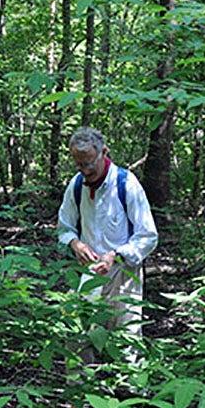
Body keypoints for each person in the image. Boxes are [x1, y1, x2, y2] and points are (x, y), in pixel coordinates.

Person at [57, 127, 159, 360]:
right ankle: (83, 391)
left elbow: (148, 235)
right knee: (78, 335)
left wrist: (117, 255)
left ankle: (131, 390)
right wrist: (75, 244)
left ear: (104, 152)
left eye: (89, 163)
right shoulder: (76, 185)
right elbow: (64, 226)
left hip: (123, 272)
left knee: (126, 336)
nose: (85, 170)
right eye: (79, 165)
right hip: (88, 272)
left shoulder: (126, 184)